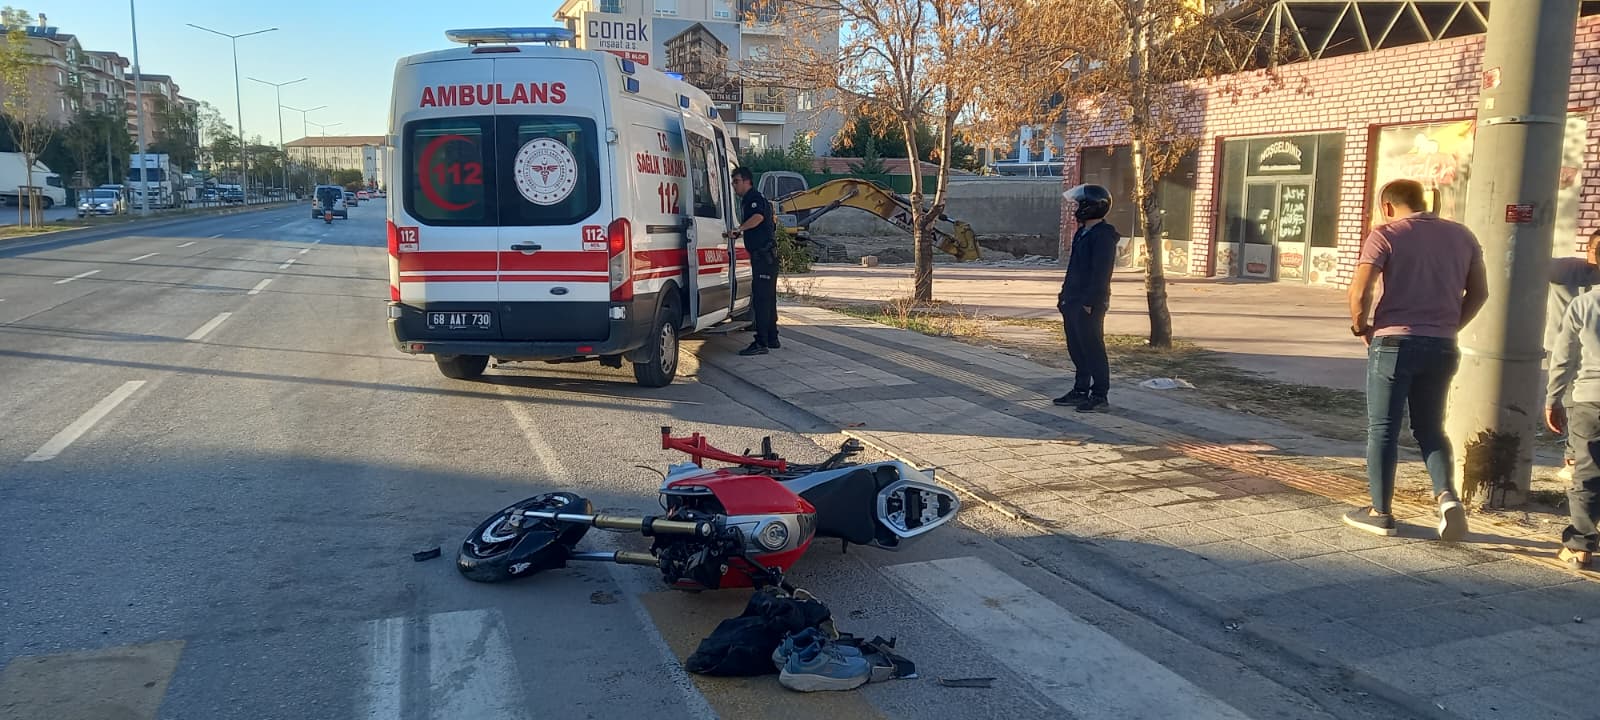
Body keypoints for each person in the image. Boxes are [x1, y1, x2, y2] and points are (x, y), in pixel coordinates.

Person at [1345, 179, 1488, 539]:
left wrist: (1361, 327)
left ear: (1387, 205)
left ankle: (1380, 511)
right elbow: (1480, 293)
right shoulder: (1463, 235)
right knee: (1430, 427)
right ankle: (1448, 498)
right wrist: (1449, 325)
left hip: (1394, 343)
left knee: (1383, 429)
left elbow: (1360, 290)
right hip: (1441, 345)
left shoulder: (1386, 233)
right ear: (1424, 202)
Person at [1545, 284, 1600, 570]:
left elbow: (1563, 356)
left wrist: (1553, 397)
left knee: (1587, 473)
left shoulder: (1584, 304)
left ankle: (1581, 547)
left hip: (1592, 399)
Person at [1054, 184, 1119, 413]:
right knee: (1076, 346)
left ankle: (1099, 394)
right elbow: (1073, 268)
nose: (1076, 208)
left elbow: (1101, 273)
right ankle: (1080, 389)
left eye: (1080, 204)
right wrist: (1063, 295)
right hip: (1072, 299)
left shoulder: (1103, 237)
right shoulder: (1082, 233)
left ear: (1090, 207)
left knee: (1093, 347)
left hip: (1089, 302)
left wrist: (1091, 301)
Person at [1545, 230, 1600, 484]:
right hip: (1561, 346)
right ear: (1589, 248)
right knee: (1570, 403)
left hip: (1587, 351)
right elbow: (1534, 264)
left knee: (1578, 405)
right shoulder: (1568, 269)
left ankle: (1574, 457)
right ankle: (1573, 457)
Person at [728, 167, 779, 356]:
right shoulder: (747, 200)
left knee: (761, 300)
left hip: (764, 257)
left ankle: (761, 342)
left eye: (736, 181)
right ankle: (772, 338)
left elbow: (758, 217)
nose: (734, 186)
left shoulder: (754, 198)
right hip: (765, 257)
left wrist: (739, 229)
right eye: (733, 182)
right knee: (768, 299)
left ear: (747, 181)